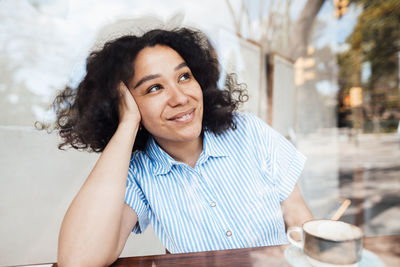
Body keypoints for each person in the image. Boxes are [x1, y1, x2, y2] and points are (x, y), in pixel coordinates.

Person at [54, 27, 313, 266]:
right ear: (125, 105)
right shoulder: (138, 174)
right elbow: (78, 260)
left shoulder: (248, 131)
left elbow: (300, 220)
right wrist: (127, 124)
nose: (180, 98)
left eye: (184, 76)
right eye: (154, 88)